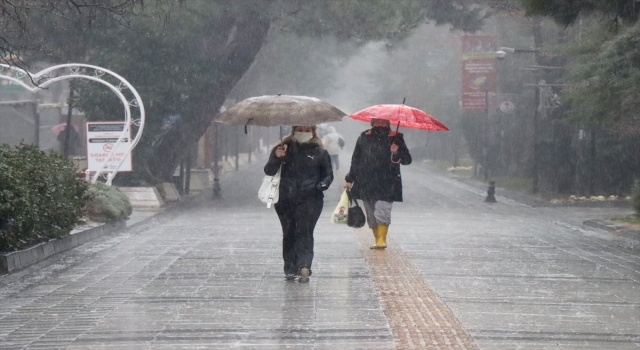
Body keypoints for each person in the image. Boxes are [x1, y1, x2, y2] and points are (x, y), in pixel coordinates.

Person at [264, 125, 333, 282]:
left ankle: (304, 265)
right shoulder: (282, 149)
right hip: (285, 199)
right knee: (289, 232)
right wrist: (276, 157)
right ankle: (290, 267)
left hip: (311, 200)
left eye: (306, 129)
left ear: (312, 132)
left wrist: (320, 185)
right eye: (300, 129)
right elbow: (269, 171)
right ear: (294, 131)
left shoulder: (320, 152)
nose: (303, 132)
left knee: (305, 231)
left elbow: (328, 175)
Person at [344, 118, 412, 249]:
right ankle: (377, 238)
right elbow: (356, 160)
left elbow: (407, 160)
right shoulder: (364, 137)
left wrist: (397, 151)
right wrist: (350, 179)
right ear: (372, 123)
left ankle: (382, 239)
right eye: (377, 122)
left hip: (388, 181)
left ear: (388, 123)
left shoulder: (396, 138)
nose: (380, 124)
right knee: (371, 213)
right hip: (366, 181)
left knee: (383, 210)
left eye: (383, 122)